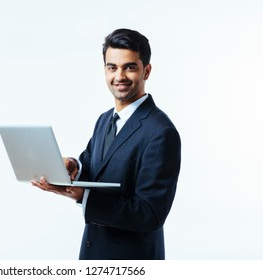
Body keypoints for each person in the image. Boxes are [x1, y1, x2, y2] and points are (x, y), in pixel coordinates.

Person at [31, 28, 181, 260]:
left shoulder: (161, 132)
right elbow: (92, 167)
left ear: (146, 71)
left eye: (129, 67)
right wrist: (73, 166)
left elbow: (150, 215)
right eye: (112, 67)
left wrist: (83, 196)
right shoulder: (104, 119)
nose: (119, 76)